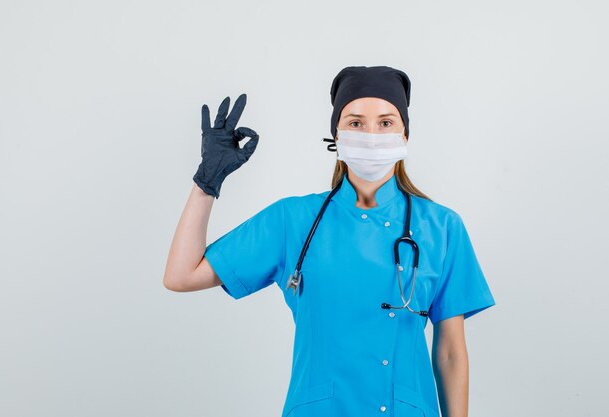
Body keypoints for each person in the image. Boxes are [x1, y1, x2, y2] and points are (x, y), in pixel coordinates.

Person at [163, 65, 496, 417]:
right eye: (355, 123)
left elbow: (450, 352)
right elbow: (181, 275)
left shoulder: (441, 227)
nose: (370, 135)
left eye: (385, 123)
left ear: (404, 135)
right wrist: (206, 183)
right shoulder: (293, 220)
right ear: (335, 135)